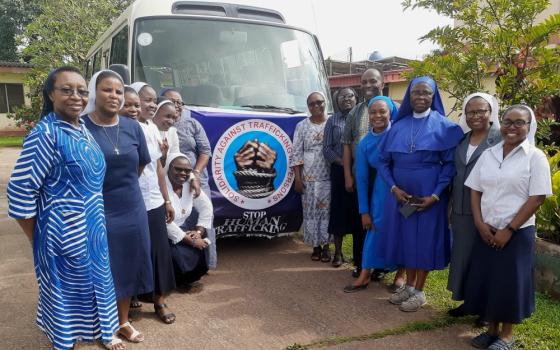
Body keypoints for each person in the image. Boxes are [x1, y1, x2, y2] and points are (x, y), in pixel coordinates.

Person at [7, 66, 123, 349]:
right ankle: (66, 341)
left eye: (82, 91)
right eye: (66, 90)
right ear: (50, 94)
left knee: (97, 283)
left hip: (94, 228)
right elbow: (20, 190)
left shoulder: (81, 128)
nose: (76, 97)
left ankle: (104, 333)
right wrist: (37, 238)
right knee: (66, 291)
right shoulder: (45, 134)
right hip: (61, 233)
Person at [463, 105, 552, 350]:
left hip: (517, 233)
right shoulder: (489, 154)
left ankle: (507, 336)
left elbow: (537, 197)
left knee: (509, 283)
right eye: (508, 122)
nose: (512, 127)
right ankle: (491, 330)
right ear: (500, 124)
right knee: (489, 280)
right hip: (487, 228)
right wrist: (480, 223)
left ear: (528, 126)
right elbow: (475, 189)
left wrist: (509, 229)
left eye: (519, 122)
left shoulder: (535, 157)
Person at [377, 76, 463, 312]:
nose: (421, 97)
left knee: (424, 240)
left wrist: (435, 195)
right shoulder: (397, 127)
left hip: (429, 196)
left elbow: (448, 165)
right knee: (406, 239)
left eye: (426, 93)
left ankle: (419, 291)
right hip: (401, 196)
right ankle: (409, 285)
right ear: (409, 96)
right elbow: (383, 162)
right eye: (416, 93)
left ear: (433, 96)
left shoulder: (445, 127)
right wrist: (394, 188)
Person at [83, 70, 153, 344]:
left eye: (118, 92)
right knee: (102, 268)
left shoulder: (133, 127)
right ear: (94, 93)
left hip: (131, 207)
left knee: (126, 266)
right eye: (107, 90)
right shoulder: (81, 127)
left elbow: (140, 164)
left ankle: (122, 322)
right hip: (97, 210)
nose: (114, 96)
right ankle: (103, 327)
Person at [447, 93, 502, 324]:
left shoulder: (499, 138)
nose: (476, 116)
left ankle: (486, 310)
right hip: (461, 209)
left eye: (481, 111)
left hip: (487, 210)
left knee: (485, 260)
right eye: (471, 112)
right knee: (464, 258)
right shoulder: (462, 139)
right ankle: (469, 301)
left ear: (491, 113)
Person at [130, 82, 177, 324]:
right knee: (135, 251)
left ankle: (159, 300)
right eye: (145, 100)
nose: (151, 105)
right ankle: (132, 295)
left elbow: (158, 167)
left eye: (153, 101)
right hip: (131, 201)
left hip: (154, 201)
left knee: (159, 251)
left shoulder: (151, 127)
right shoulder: (124, 126)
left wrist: (167, 199)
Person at [344, 96, 402, 292]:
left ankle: (401, 275)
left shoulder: (399, 134)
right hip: (380, 193)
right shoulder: (365, 142)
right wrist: (364, 211)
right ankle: (365, 274)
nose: (377, 116)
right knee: (373, 232)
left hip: (405, 190)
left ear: (390, 112)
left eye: (382, 111)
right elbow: (360, 178)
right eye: (373, 112)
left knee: (403, 232)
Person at [164, 88, 217, 269]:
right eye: (172, 102)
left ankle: (205, 264)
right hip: (170, 181)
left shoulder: (192, 124)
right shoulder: (161, 126)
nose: (177, 106)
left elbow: (205, 151)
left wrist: (194, 174)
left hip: (196, 179)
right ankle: (179, 268)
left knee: (203, 217)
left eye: (180, 102)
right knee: (173, 222)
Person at [341, 68, 384, 277]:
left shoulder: (392, 109)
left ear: (382, 83)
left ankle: (380, 266)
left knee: (382, 219)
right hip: (361, 175)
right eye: (364, 82)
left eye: (373, 81)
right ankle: (360, 263)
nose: (368, 85)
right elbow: (347, 144)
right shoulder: (355, 112)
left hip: (385, 176)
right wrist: (348, 175)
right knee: (361, 220)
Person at [323, 87, 362, 267]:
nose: (346, 99)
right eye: (342, 97)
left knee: (358, 212)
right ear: (337, 101)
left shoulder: (363, 117)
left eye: (350, 96)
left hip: (361, 170)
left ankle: (358, 256)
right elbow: (327, 149)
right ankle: (338, 253)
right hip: (339, 171)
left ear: (356, 98)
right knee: (339, 211)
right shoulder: (332, 121)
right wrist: (344, 164)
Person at [291, 91, 331, 261]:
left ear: (325, 103)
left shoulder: (332, 122)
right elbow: (296, 152)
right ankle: (315, 247)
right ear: (308, 107)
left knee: (327, 212)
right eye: (312, 104)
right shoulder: (302, 126)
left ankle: (327, 247)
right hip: (307, 177)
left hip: (328, 176)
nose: (316, 106)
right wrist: (298, 179)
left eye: (319, 102)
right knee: (311, 213)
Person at [165, 153, 213, 288]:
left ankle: (185, 279)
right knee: (177, 252)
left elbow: (206, 207)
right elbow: (165, 223)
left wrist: (198, 231)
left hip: (182, 228)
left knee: (199, 242)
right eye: (178, 169)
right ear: (169, 168)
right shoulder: (162, 188)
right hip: (164, 232)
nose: (183, 173)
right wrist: (191, 241)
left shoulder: (190, 185)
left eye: (187, 171)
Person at [152, 97, 180, 165]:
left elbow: (175, 157)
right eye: (167, 116)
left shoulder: (172, 132)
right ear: (155, 113)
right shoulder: (144, 130)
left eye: (173, 118)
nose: (171, 121)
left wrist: (164, 157)